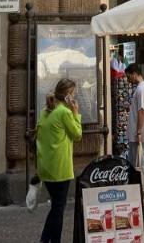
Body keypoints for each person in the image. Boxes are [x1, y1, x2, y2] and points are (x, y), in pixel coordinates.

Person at [35, 79, 83, 243]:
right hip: (60, 168)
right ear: (69, 95)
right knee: (58, 209)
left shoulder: (45, 111)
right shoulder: (65, 113)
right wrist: (76, 112)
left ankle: (45, 240)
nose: (75, 96)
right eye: (74, 93)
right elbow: (77, 135)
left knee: (56, 207)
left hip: (45, 167)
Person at [125, 63, 144, 206]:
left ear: (134, 74)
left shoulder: (142, 89)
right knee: (140, 162)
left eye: (128, 76)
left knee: (141, 163)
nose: (127, 79)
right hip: (137, 133)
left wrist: (139, 131)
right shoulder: (142, 88)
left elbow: (142, 111)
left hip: (138, 134)